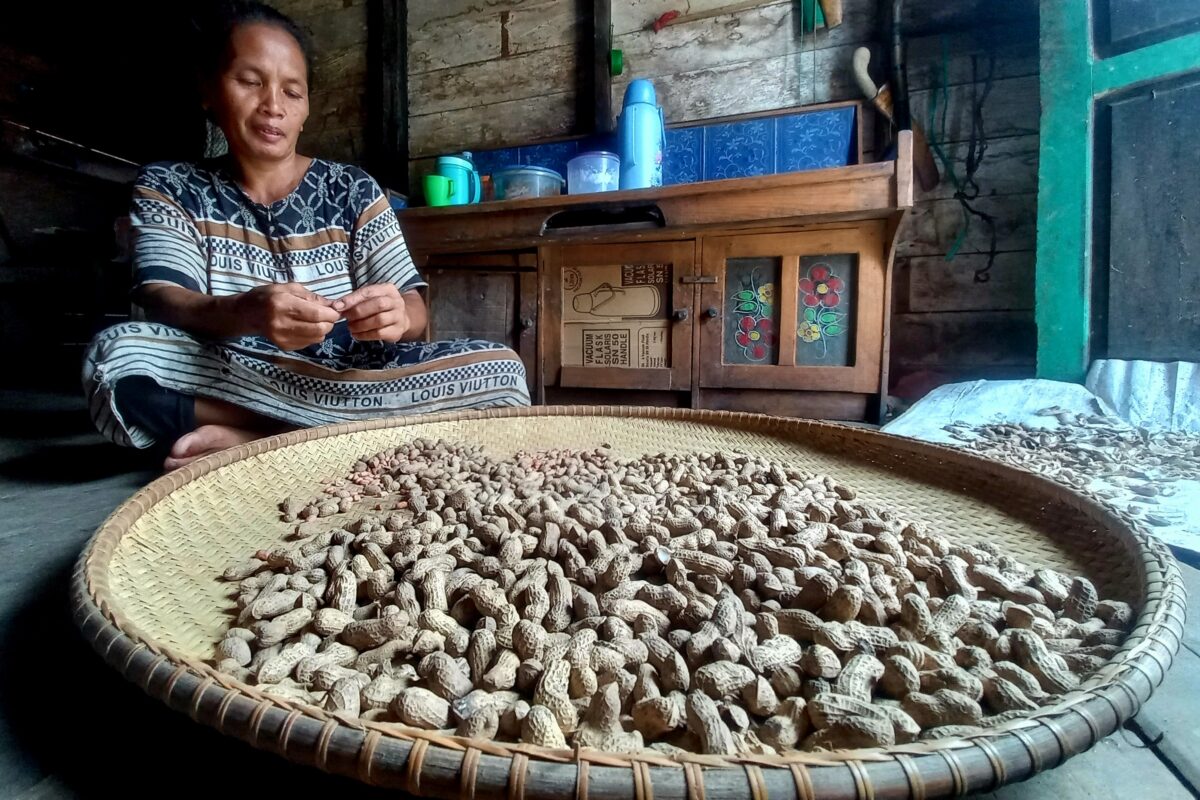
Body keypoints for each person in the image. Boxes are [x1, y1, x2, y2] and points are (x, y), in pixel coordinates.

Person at [83, 1, 530, 470]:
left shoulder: (353, 188)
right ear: (208, 90)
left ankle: (253, 440)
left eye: (292, 92)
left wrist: (397, 314)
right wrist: (244, 312)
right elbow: (163, 299)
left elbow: (414, 309)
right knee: (116, 358)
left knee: (501, 368)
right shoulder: (170, 186)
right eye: (250, 81)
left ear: (307, 109)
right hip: (232, 375)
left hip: (350, 375)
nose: (273, 106)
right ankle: (341, 439)